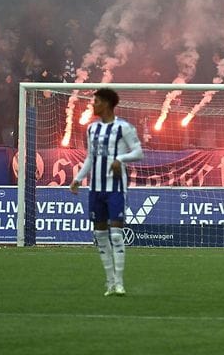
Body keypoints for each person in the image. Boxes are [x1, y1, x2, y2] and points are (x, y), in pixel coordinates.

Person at [69, 88, 144, 296]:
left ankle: (119, 283)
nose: (93, 105)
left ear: (108, 104)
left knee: (117, 234)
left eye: (97, 101)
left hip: (116, 189)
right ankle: (110, 282)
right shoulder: (92, 129)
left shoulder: (124, 128)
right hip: (96, 189)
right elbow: (90, 158)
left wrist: (121, 159)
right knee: (100, 234)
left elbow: (138, 152)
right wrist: (77, 179)